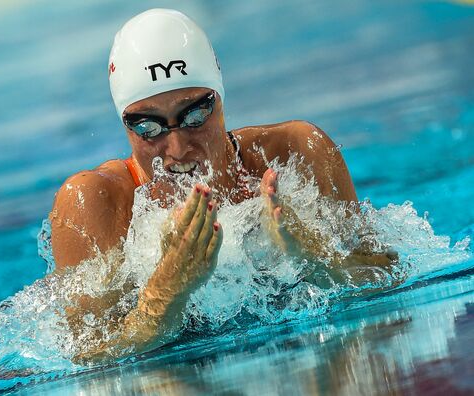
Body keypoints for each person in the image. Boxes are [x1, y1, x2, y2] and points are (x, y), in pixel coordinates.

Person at [48, 9, 396, 363]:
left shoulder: (296, 154)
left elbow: (388, 283)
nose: (178, 148)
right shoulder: (96, 202)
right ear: (125, 124)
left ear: (220, 98)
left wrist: (312, 253)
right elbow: (88, 359)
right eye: (148, 127)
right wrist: (167, 291)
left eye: (195, 115)